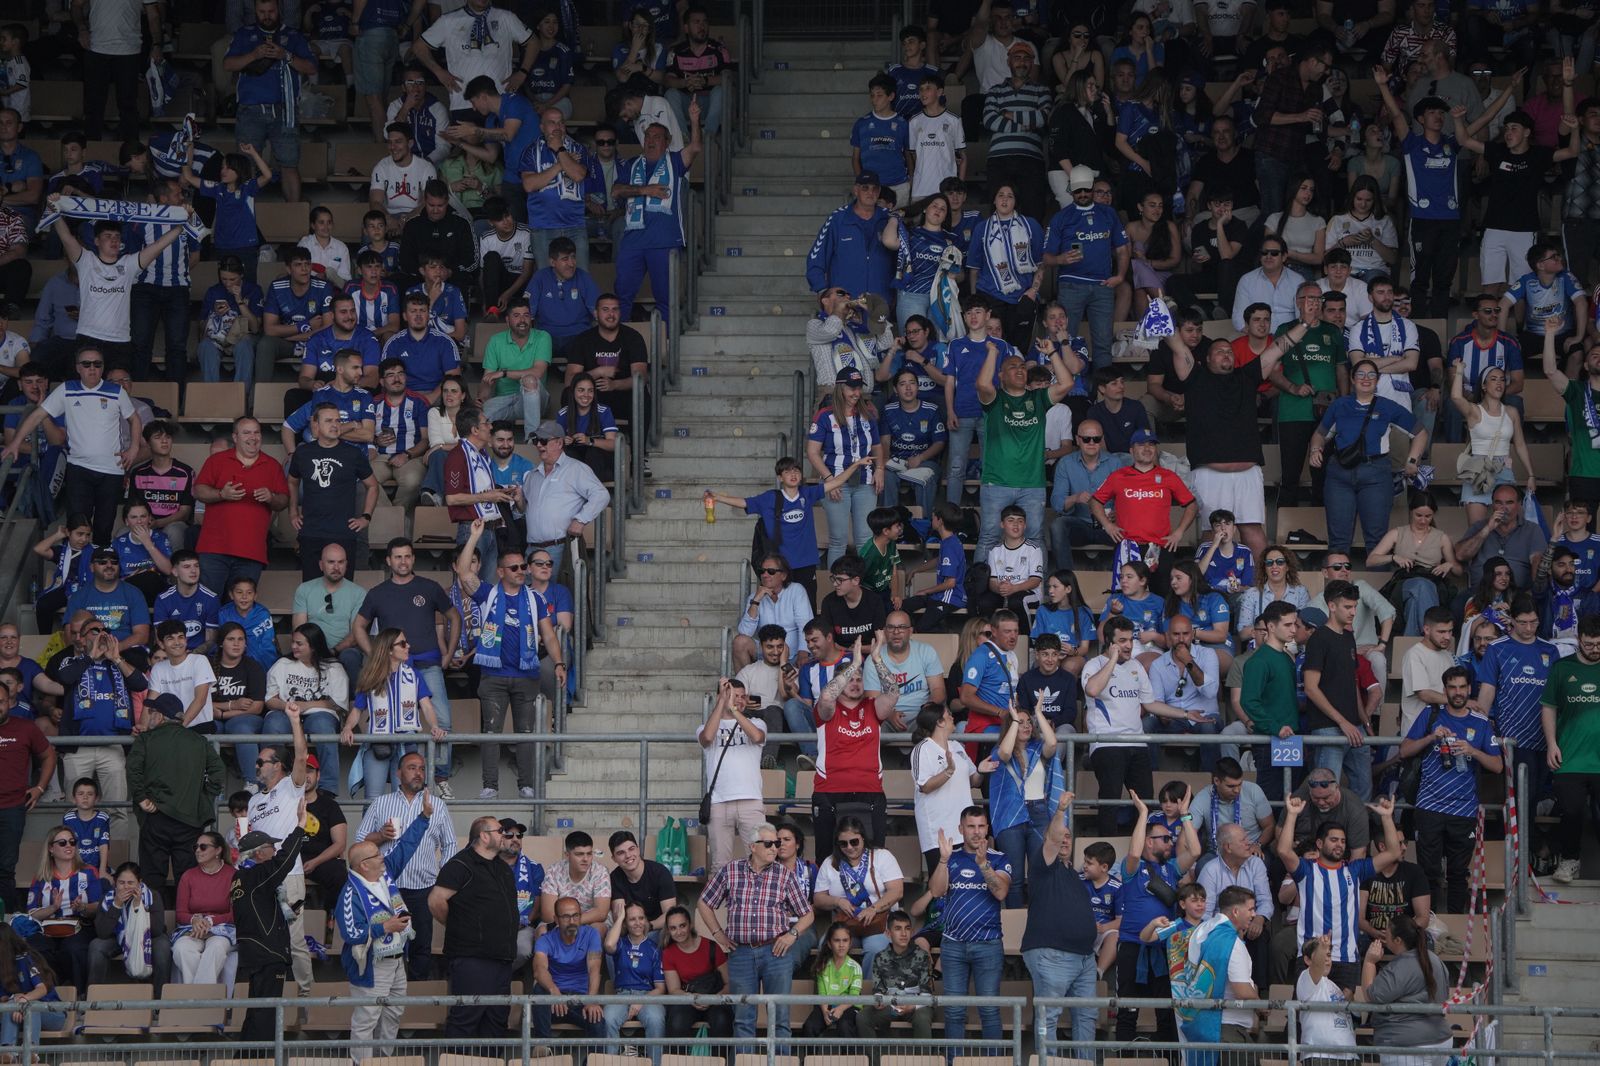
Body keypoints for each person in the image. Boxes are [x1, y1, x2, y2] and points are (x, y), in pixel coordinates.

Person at [1, 343, 141, 548]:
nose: (92, 368)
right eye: (86, 364)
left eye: (97, 364)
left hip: (112, 470)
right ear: (77, 367)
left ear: (102, 367)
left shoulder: (116, 391)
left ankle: (98, 572)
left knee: (103, 527)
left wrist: (134, 448)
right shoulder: (67, 389)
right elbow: (39, 414)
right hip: (78, 468)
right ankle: (73, 573)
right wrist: (14, 443)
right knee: (76, 526)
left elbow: (134, 419)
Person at [696, 822, 815, 1048]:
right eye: (769, 843)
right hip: (740, 952)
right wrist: (718, 933)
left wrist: (791, 934)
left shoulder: (784, 875)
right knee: (743, 1020)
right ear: (753, 846)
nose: (775, 848)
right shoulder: (731, 870)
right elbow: (704, 903)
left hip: (776, 952)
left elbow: (807, 915)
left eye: (777, 843)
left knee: (780, 1019)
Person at [339, 785, 434, 1064]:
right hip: (370, 964)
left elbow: (406, 846)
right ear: (363, 865)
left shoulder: (385, 874)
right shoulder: (350, 893)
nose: (383, 856)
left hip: (395, 961)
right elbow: (351, 933)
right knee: (366, 1018)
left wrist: (424, 817)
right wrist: (385, 928)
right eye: (377, 855)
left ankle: (384, 1060)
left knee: (393, 1013)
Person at [1278, 792, 1402, 990]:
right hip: (1311, 956)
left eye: (1343, 841)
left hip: (1346, 959)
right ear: (1319, 844)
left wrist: (1387, 818)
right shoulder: (1306, 869)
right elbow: (1284, 851)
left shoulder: (1354, 869)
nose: (1340, 845)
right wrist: (1292, 814)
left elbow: (1393, 853)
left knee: (1343, 1017)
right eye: (1334, 840)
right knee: (1305, 1015)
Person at [1021, 787, 1100, 1051]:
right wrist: (1061, 810)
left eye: (1069, 837)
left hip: (1084, 958)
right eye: (1060, 837)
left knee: (1087, 1017)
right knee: (1049, 1018)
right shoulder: (1042, 866)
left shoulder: (1074, 874)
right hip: (1052, 954)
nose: (1065, 841)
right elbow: (1053, 841)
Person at [613, 101, 702, 330]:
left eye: (657, 136)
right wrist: (645, 190)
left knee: (665, 298)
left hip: (663, 242)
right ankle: (617, 342)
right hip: (633, 241)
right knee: (622, 294)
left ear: (667, 142)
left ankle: (667, 346)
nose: (651, 140)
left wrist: (693, 121)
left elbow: (694, 148)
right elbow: (616, 191)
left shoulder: (674, 161)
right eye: (648, 136)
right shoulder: (632, 164)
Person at [429, 817, 518, 1038]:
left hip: (502, 957)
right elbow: (435, 901)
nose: (504, 835)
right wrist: (458, 924)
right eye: (500, 831)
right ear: (484, 836)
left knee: (497, 1021)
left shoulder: (502, 867)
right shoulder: (460, 865)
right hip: (472, 958)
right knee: (465, 1018)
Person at [929, 807, 1011, 1045]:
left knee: (989, 1011)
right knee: (954, 1012)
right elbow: (936, 891)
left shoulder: (999, 858)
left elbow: (1001, 892)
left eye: (981, 826)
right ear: (961, 829)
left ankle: (994, 1064)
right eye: (971, 826)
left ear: (987, 828)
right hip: (953, 946)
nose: (977, 832)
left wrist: (984, 865)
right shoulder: (950, 856)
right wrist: (943, 859)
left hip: (988, 944)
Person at [129, 692, 225, 891]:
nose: (150, 715)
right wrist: (203, 799)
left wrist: (141, 797)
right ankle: (187, 921)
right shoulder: (198, 741)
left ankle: (154, 921)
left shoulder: (145, 739)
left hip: (155, 816)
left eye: (152, 712)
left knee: (153, 876)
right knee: (187, 876)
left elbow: (133, 770)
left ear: (161, 716)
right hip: (189, 819)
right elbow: (218, 772)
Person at [191, 418, 291, 599]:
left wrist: (271, 497)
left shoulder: (272, 465)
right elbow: (198, 491)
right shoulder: (217, 461)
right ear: (235, 437)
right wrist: (222, 494)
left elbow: (283, 501)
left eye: (257, 432)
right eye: (246, 433)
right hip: (214, 550)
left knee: (241, 609)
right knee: (207, 605)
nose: (253, 437)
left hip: (251, 552)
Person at [232, 819, 308, 1043]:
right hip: (268, 954)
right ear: (258, 854)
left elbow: (260, 908)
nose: (274, 851)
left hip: (255, 952)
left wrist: (286, 910)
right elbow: (284, 861)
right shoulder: (258, 875)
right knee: (267, 1014)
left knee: (257, 1011)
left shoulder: (241, 877)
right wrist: (299, 828)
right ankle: (261, 1058)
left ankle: (245, 1058)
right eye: (270, 847)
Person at [1539, 614, 1600, 883]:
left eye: (1599, 644)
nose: (1595, 649)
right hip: (1571, 757)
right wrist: (1552, 744)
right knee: (1571, 812)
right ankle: (1569, 861)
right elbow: (1549, 707)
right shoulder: (1562, 668)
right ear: (1578, 640)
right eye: (1589, 644)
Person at [1354, 912, 1453, 1065]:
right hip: (1441, 1040)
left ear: (1398, 940)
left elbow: (1372, 996)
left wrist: (1369, 962)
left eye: (1387, 933)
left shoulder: (1400, 966)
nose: (1384, 936)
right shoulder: (1433, 959)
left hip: (1407, 1046)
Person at [22, 823, 107, 995]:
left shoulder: (89, 872)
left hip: (80, 926)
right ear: (51, 849)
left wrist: (82, 907)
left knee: (74, 948)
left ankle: (79, 995)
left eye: (72, 842)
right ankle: (47, 994)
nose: (68, 846)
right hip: (47, 928)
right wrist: (53, 907)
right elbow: (32, 913)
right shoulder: (41, 877)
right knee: (36, 947)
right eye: (62, 843)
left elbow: (98, 906)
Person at [698, 676, 766, 877]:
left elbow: (757, 737)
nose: (741, 700)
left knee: (759, 861)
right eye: (735, 696)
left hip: (751, 800)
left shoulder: (757, 722)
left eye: (744, 697)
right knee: (720, 865)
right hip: (719, 802)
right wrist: (721, 702)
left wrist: (734, 709)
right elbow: (707, 738)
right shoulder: (706, 726)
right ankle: (719, 910)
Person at [0, 677, 53, 903]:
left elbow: (49, 754)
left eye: (0, 701)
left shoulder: (25, 727)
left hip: (12, 808)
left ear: (9, 702)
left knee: (5, 868)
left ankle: (6, 924)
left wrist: (40, 788)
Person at [805, 173, 893, 301]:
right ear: (856, 190)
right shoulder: (838, 219)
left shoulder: (890, 218)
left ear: (879, 191)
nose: (870, 192)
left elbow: (903, 259)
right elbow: (816, 257)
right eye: (865, 188)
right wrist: (822, 290)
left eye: (875, 189)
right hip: (845, 302)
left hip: (880, 303)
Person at [88, 861, 173, 991]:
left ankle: (160, 1000)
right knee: (97, 946)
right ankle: (94, 997)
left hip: (147, 937)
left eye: (131, 883)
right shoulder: (108, 898)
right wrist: (116, 905)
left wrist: (138, 906)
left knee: (163, 946)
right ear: (115, 882)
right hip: (117, 938)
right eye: (121, 883)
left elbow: (156, 930)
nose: (126, 887)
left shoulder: (152, 896)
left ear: (139, 882)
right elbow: (102, 932)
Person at [602, 901, 666, 1063]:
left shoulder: (654, 948)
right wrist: (620, 917)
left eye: (641, 918)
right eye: (632, 919)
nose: (637, 923)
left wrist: (640, 1001)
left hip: (647, 996)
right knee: (608, 1018)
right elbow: (609, 945)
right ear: (625, 923)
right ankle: (610, 1062)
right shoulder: (621, 943)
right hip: (622, 995)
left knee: (656, 1020)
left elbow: (660, 988)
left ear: (645, 920)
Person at [171, 830, 236, 987]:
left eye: (203, 847)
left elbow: (236, 914)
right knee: (181, 949)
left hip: (222, 928)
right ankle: (204, 1000)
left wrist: (210, 921)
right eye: (196, 847)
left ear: (218, 850)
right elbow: (180, 913)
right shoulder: (188, 876)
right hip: (193, 928)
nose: (198, 850)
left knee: (216, 948)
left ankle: (197, 1000)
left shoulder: (233, 875)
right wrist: (195, 920)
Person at [662, 903, 732, 1047]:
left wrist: (712, 999)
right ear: (668, 931)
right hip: (687, 999)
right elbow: (674, 990)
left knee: (722, 1022)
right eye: (673, 928)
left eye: (682, 926)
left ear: (690, 925)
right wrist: (693, 998)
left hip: (715, 997)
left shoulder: (711, 947)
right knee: (676, 1024)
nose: (679, 932)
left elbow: (729, 984)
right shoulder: (669, 953)